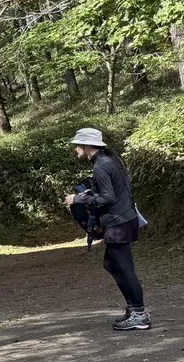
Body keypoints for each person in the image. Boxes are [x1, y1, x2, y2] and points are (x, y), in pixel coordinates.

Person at [63, 128, 150, 331]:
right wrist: (89, 193)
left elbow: (108, 198)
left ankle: (140, 314)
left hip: (118, 223)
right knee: (111, 264)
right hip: (124, 219)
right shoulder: (109, 161)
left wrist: (77, 198)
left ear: (87, 145)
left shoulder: (101, 165)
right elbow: (112, 191)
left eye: (77, 145)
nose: (75, 149)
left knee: (125, 269)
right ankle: (133, 309)